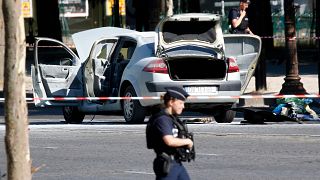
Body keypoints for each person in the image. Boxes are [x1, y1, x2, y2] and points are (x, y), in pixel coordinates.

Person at [146, 87, 195, 180]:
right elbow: (169, 140)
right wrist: (187, 141)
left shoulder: (171, 118)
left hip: (176, 163)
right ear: (171, 102)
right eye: (180, 103)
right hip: (167, 163)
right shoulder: (162, 119)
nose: (183, 106)